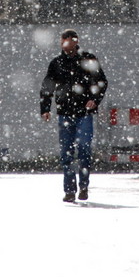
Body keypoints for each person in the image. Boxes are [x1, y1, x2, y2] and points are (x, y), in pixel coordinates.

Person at [40, 28, 108, 202]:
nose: (66, 42)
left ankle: (83, 186)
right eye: (63, 39)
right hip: (65, 113)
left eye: (69, 39)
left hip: (84, 113)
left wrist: (94, 100)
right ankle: (70, 190)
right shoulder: (57, 63)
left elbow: (102, 82)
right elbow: (47, 86)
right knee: (67, 152)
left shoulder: (88, 60)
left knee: (84, 148)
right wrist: (45, 108)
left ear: (76, 41)